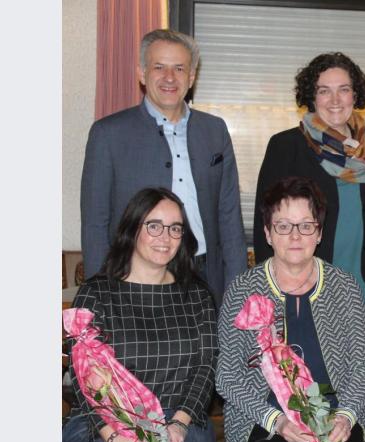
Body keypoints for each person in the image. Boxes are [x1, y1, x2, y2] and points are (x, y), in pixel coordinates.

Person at [81, 28, 247, 307]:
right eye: (159, 67)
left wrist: (238, 287)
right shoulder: (108, 134)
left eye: (179, 68)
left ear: (191, 77)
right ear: (142, 74)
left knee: (210, 351)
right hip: (135, 277)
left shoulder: (214, 131)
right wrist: (100, 295)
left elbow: (229, 216)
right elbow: (96, 223)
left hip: (205, 275)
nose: (170, 77)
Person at [252, 52, 365, 337]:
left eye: (344, 90)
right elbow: (266, 226)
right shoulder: (286, 147)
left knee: (359, 380)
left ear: (355, 95)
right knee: (303, 381)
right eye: (324, 91)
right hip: (301, 290)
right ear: (312, 97)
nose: (335, 100)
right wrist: (268, 291)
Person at [218, 176, 365, 442]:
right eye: (283, 226)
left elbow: (364, 368)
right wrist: (276, 421)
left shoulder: (344, 286)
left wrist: (346, 415)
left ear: (319, 233)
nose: (295, 236)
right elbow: (227, 376)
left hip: (334, 415)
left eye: (305, 226)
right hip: (264, 419)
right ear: (268, 233)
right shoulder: (243, 289)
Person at [63, 187, 218, 442]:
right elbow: (82, 375)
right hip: (104, 421)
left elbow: (206, 367)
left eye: (175, 228)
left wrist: (179, 425)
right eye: (154, 226)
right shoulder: (96, 294)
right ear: (133, 228)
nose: (166, 237)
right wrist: (113, 438)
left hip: (180, 417)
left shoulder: (197, 295)